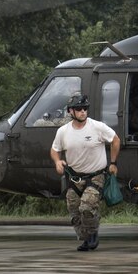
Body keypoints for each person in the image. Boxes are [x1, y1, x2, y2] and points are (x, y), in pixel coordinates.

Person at [50, 94, 121, 251]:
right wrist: (57, 161)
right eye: (79, 109)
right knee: (74, 210)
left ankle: (93, 233)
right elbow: (55, 149)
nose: (83, 111)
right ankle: (85, 238)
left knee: (87, 208)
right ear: (70, 111)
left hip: (96, 175)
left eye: (85, 109)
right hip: (75, 177)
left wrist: (113, 163)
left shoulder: (97, 127)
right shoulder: (63, 131)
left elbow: (115, 140)